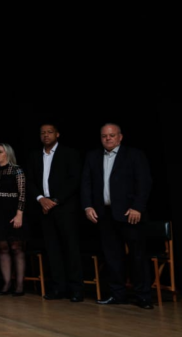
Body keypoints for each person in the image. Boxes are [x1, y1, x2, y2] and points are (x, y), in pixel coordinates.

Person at [81, 123, 154, 309]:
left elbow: (144, 182)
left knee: (137, 256)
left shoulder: (134, 155)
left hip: (130, 214)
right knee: (112, 257)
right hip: (104, 214)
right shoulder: (93, 156)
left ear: (120, 137)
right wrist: (88, 206)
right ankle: (117, 294)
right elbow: (86, 183)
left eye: (112, 135)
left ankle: (143, 296)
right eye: (104, 136)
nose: (108, 138)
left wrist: (138, 207)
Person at [26, 124, 84, 302]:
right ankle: (58, 288)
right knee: (52, 250)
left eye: (49, 132)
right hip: (43, 207)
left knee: (71, 249)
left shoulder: (70, 153)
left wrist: (56, 200)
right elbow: (29, 180)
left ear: (57, 134)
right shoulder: (34, 156)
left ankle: (76, 290)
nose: (46, 135)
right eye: (42, 133)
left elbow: (74, 180)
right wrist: (40, 199)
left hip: (64, 207)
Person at [0, 144, 27, 296]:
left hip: (13, 212)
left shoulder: (16, 170)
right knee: (2, 247)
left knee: (16, 247)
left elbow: (22, 193)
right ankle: (7, 283)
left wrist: (19, 214)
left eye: (0, 152)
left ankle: (19, 285)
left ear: (7, 153)